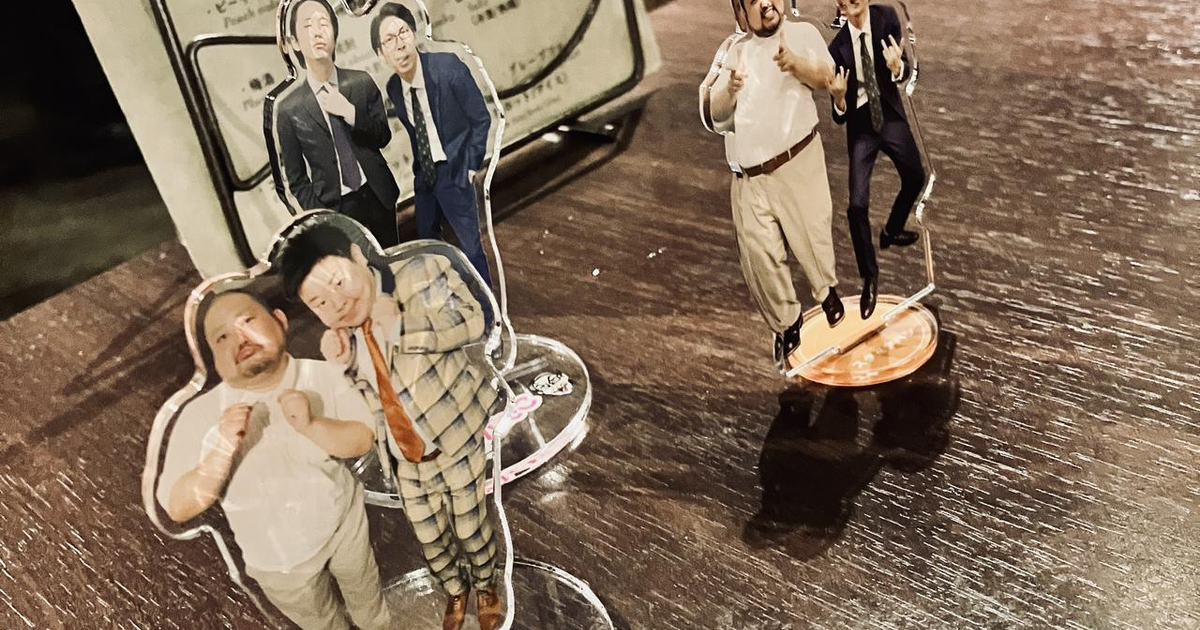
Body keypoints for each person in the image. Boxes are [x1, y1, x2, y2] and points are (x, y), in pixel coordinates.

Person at [280, 223, 502, 630]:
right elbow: (373, 400)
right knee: (430, 538)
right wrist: (345, 368)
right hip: (402, 456)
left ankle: (486, 585)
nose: (338, 303)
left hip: (455, 436)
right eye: (320, 302)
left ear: (356, 255)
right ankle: (456, 589)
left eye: (338, 282)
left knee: (471, 527)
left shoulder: (421, 272)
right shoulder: (344, 335)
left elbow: (474, 322)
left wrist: (406, 327)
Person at [156, 291, 392, 630]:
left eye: (248, 320)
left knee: (367, 597)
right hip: (279, 560)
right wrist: (222, 449)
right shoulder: (201, 415)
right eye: (222, 337)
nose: (240, 338)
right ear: (215, 360)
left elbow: (362, 439)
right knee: (322, 623)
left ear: (280, 321)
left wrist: (312, 425)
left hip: (343, 522)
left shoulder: (324, 377)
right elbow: (177, 507)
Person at [704, 0, 845, 373]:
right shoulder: (735, 52)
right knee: (760, 256)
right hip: (750, 174)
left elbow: (828, 77)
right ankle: (787, 323)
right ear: (741, 14)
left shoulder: (802, 33)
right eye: (753, 1)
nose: (766, 3)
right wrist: (729, 90)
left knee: (811, 233)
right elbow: (714, 114)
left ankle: (827, 292)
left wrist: (796, 64)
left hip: (797, 159)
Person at [370, 3, 493, 285]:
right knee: (428, 245)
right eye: (389, 40)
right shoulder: (394, 88)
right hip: (425, 177)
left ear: (414, 35)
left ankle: (488, 304)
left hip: (455, 170)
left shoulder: (447, 67)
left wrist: (470, 166)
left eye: (403, 33)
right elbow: (417, 134)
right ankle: (449, 297)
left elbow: (480, 118)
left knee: (470, 246)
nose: (399, 45)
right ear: (381, 54)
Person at [828, 0, 926, 319]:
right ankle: (869, 276)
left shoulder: (886, 18)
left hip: (889, 114)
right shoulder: (837, 48)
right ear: (840, 6)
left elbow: (905, 69)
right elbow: (838, 115)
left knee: (915, 176)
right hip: (861, 127)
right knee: (856, 206)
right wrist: (839, 99)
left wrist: (898, 68)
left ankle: (892, 230)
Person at [276, 0, 400, 248]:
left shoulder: (361, 82)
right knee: (355, 266)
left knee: (392, 259)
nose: (317, 32)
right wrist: (321, 214)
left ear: (334, 33)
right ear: (294, 42)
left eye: (324, 23)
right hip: (336, 207)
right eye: (308, 26)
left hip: (377, 193)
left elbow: (383, 136)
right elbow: (296, 178)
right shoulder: (289, 110)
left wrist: (350, 112)